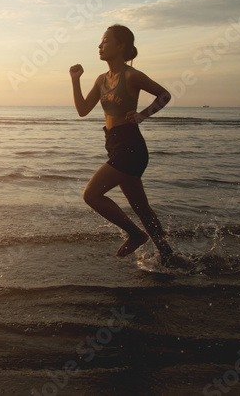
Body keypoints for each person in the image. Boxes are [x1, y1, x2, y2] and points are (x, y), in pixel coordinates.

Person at [70, 24, 179, 266]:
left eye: (105, 41)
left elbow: (164, 95)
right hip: (114, 143)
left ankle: (136, 234)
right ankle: (168, 256)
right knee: (141, 208)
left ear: (121, 46)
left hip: (130, 145)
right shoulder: (101, 80)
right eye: (101, 41)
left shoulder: (132, 75)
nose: (100, 45)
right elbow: (82, 110)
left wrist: (143, 114)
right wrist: (75, 81)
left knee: (91, 194)